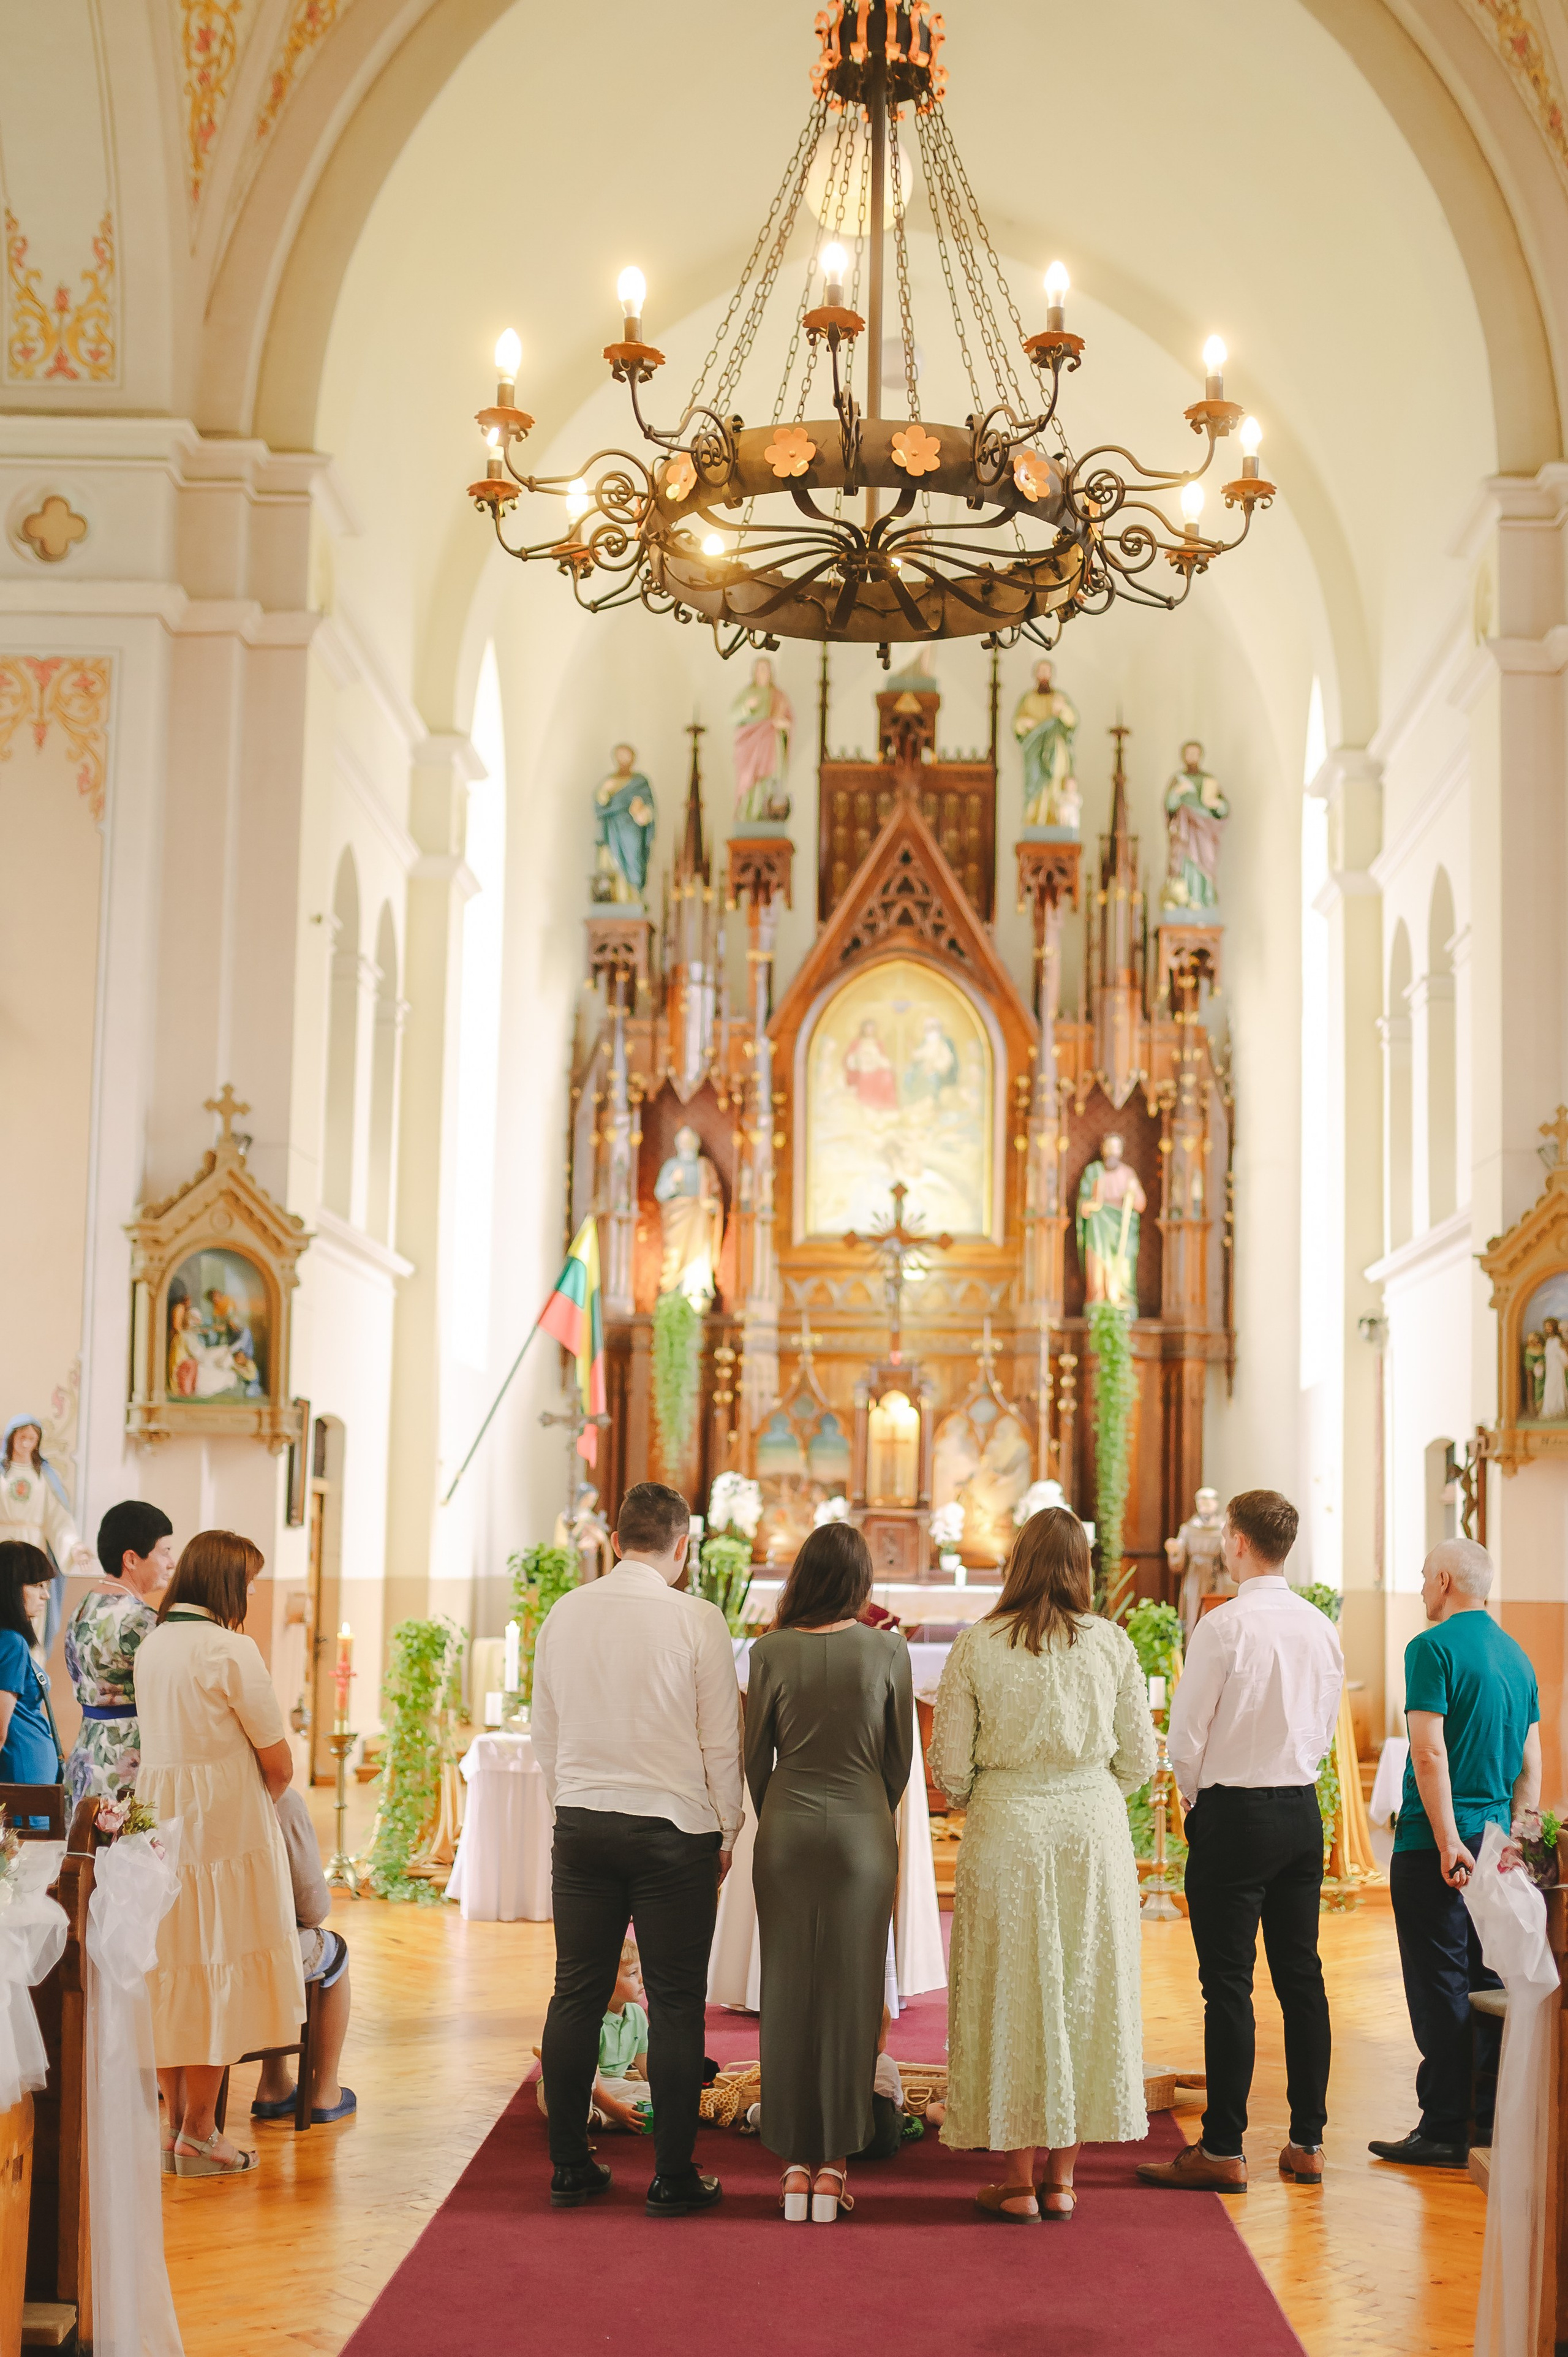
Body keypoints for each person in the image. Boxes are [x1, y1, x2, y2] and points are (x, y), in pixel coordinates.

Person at [932, 1507, 1155, 2222]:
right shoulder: (1110, 1644)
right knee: (1083, 1986)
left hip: (1007, 1830)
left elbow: (949, 1768)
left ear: (1017, 1562)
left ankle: (1018, 2179)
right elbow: (1141, 1759)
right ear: (1083, 1568)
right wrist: (1085, 1789)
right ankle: (1063, 2179)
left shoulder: (979, 1644)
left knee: (1011, 1987)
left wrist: (1001, 1791)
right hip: (1092, 1829)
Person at [532, 1480, 743, 2218]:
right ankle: (673, 2176)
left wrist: (570, 1807)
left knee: (576, 1993)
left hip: (582, 1822)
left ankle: (568, 2166)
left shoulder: (564, 1612)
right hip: (673, 1830)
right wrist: (727, 1829)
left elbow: (546, 1731)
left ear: (615, 1541)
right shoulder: (698, 1618)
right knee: (679, 2005)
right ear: (682, 1546)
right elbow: (721, 1738)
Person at [1138, 1489, 1343, 2193]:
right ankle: (1307, 2141)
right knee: (1301, 1977)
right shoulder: (1320, 1626)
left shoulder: (1223, 1626)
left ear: (1235, 1542)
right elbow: (1321, 1725)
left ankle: (1223, 2146)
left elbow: (1186, 1737)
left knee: (1227, 1984)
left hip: (1234, 1813)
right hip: (1299, 1811)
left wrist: (1197, 1799)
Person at [745, 1521, 913, 2223]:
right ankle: (835, 2166)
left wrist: (782, 1811)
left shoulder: (768, 1650)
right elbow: (899, 1759)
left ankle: (791, 2165)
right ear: (860, 1583)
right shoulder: (886, 1650)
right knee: (851, 1997)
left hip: (784, 1830)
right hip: (862, 1834)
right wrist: (865, 1811)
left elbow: (756, 1760)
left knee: (785, 1992)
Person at [134, 1530, 304, 2178]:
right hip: (222, 1825)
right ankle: (202, 2133)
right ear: (227, 1583)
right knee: (216, 1966)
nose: (255, 1594)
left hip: (159, 1817)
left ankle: (178, 2126)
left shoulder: (154, 1644)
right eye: (250, 1583)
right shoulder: (230, 1648)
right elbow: (279, 1761)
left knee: (173, 1965)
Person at [1368, 1537, 1540, 2170]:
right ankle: (1489, 2117)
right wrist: (1518, 1838)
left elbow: (1428, 1752)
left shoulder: (1430, 1648)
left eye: (1421, 1575)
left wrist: (1445, 1841)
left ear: (1444, 1579)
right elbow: (1531, 1762)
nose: (1419, 1586)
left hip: (1434, 1844)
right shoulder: (1515, 1654)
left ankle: (1443, 2126)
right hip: (1495, 1841)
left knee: (1438, 1983)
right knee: (1484, 1977)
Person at [251, 1786, 355, 2127]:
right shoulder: (280, 1799)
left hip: (194, 1953)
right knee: (331, 1950)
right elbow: (313, 1909)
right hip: (260, 1953)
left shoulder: (175, 1788)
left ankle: (276, 2083)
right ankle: (324, 2092)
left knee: (274, 1950)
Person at [61, 1500, 175, 1809]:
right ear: (132, 1559)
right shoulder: (140, 1619)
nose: (172, 1562)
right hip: (126, 1759)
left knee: (85, 1854)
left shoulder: (83, 1605)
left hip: (86, 1751)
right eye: (164, 1551)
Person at [1, 1415, 94, 1651]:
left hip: (33, 1548)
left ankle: (30, 1667)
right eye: (22, 1438)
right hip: (2, 1548)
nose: (26, 1444)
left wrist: (75, 1546)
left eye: (32, 1439)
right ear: (11, 1439)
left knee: (33, 1609)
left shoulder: (44, 1476)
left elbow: (58, 1520)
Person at [0, 1542, 61, 1788]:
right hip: (23, 1777)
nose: (46, 1595)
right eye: (37, 1586)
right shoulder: (12, 1643)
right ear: (11, 1587)